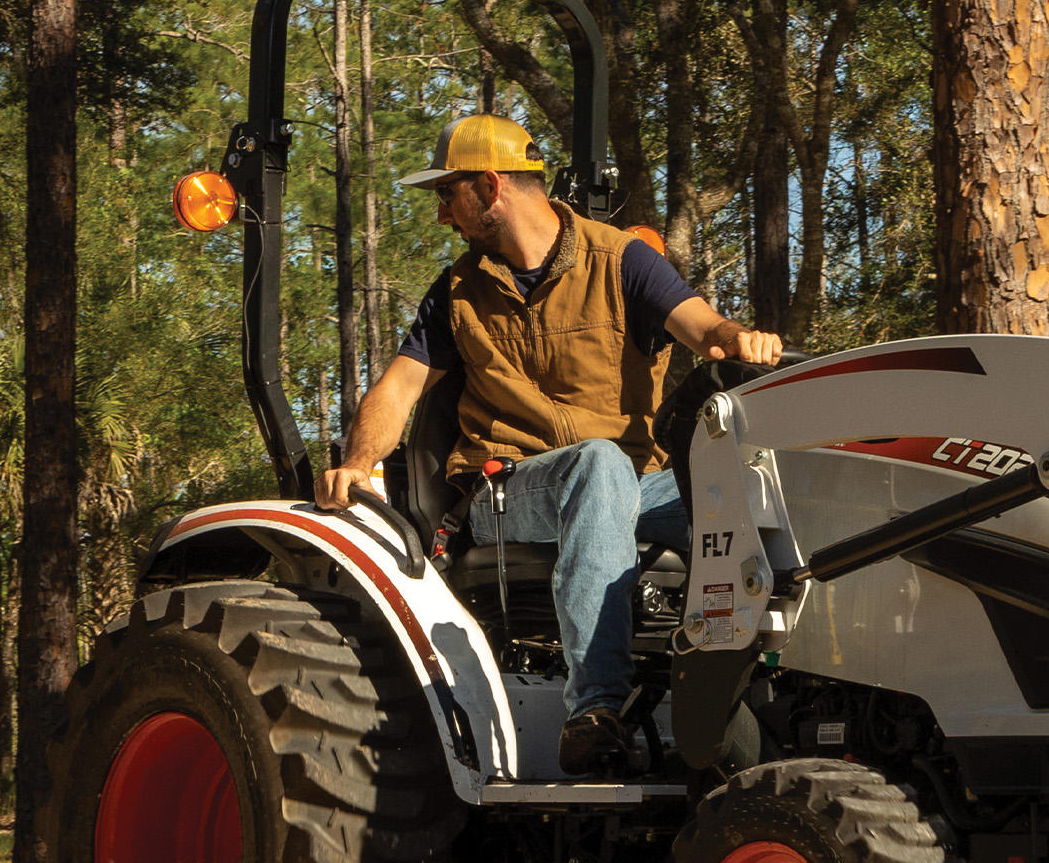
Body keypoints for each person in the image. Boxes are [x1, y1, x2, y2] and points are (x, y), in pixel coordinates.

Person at [317, 113, 781, 776]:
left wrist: (738, 340)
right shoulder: (455, 294)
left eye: (447, 196)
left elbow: (701, 326)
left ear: (488, 186)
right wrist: (358, 464)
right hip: (508, 491)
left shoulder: (621, 260)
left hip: (633, 487)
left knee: (754, 498)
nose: (444, 215)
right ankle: (595, 711)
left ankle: (774, 702)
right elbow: (397, 390)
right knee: (599, 467)